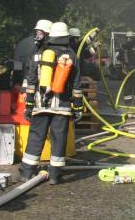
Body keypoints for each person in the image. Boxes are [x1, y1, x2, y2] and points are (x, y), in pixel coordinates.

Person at [20, 22, 84, 184]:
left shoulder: (39, 54)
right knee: (59, 139)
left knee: (36, 137)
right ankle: (55, 175)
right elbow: (76, 85)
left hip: (41, 105)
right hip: (62, 107)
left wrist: (28, 106)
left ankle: (27, 172)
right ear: (66, 37)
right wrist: (78, 108)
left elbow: (31, 81)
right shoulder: (72, 56)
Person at [12, 20, 52, 87]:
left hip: (21, 80)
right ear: (47, 33)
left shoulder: (23, 42)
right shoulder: (41, 46)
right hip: (33, 82)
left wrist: (16, 82)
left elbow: (17, 64)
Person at [117, 31, 135, 101]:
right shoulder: (123, 47)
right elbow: (119, 58)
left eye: (130, 38)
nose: (128, 39)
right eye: (127, 38)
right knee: (127, 85)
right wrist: (121, 68)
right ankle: (128, 100)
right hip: (127, 70)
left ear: (133, 38)